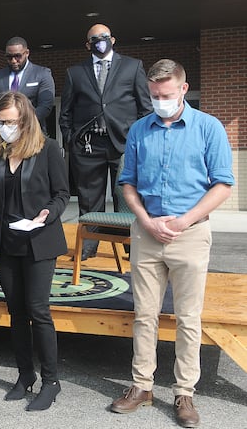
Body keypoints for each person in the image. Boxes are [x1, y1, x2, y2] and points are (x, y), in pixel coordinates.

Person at [110, 59, 233, 428]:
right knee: (144, 315)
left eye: (165, 94)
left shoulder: (208, 128)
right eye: (153, 95)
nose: (158, 101)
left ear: (183, 88)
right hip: (147, 233)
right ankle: (142, 386)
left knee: (188, 318)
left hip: (190, 233)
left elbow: (223, 184)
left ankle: (184, 392)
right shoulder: (139, 130)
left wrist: (184, 220)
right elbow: (127, 183)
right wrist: (146, 220)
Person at [0, 92, 69, 411]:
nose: (3, 127)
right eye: (0, 122)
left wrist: (47, 213)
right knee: (16, 312)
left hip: (40, 241)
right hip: (6, 242)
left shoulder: (48, 150)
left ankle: (51, 382)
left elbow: (62, 193)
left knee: (38, 310)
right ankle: (25, 376)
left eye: (9, 122)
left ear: (25, 120)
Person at [59, 23, 152, 260]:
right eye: (94, 39)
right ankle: (89, 247)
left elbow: (145, 108)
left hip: (124, 145)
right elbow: (66, 113)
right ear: (87, 44)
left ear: (113, 39)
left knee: (128, 197)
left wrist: (140, 141)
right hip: (89, 146)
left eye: (104, 37)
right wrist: (71, 140)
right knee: (89, 200)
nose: (100, 41)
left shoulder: (133, 66)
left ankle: (132, 247)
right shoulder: (75, 72)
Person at [0, 37, 55, 132]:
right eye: (9, 57)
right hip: (4, 133)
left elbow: (45, 105)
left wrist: (23, 125)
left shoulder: (42, 74)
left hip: (32, 132)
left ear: (27, 53)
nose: (13, 61)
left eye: (17, 56)